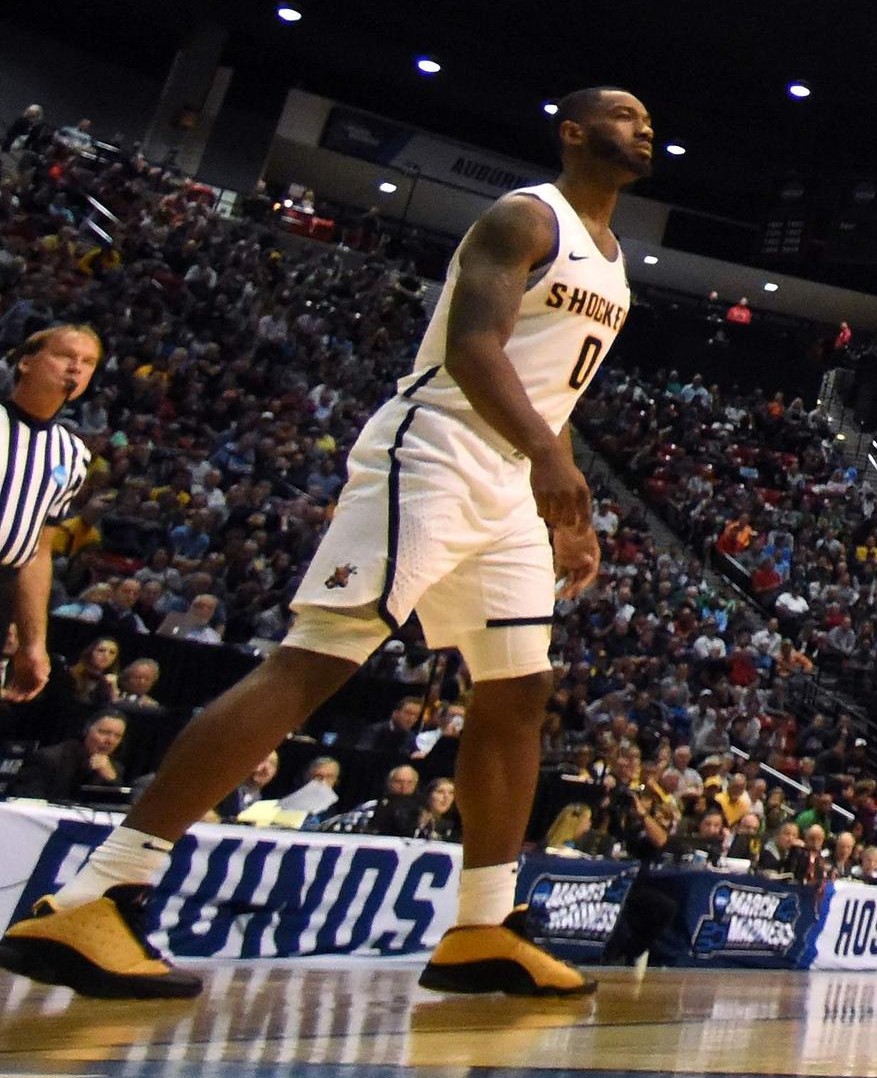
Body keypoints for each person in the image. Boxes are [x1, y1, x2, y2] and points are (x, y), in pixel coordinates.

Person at [2, 89, 653, 1002]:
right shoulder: (524, 216)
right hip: (436, 448)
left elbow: (553, 394)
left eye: (649, 120)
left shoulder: (618, 265)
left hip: (510, 479)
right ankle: (97, 894)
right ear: (573, 130)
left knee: (519, 689)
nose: (645, 127)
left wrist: (567, 505)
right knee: (317, 661)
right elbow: (473, 344)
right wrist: (546, 454)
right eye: (625, 114)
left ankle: (483, 926)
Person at [1, 323, 102, 711]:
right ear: (26, 361)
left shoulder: (72, 453)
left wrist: (33, 643)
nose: (75, 368)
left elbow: (38, 552)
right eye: (64, 356)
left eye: (87, 362)